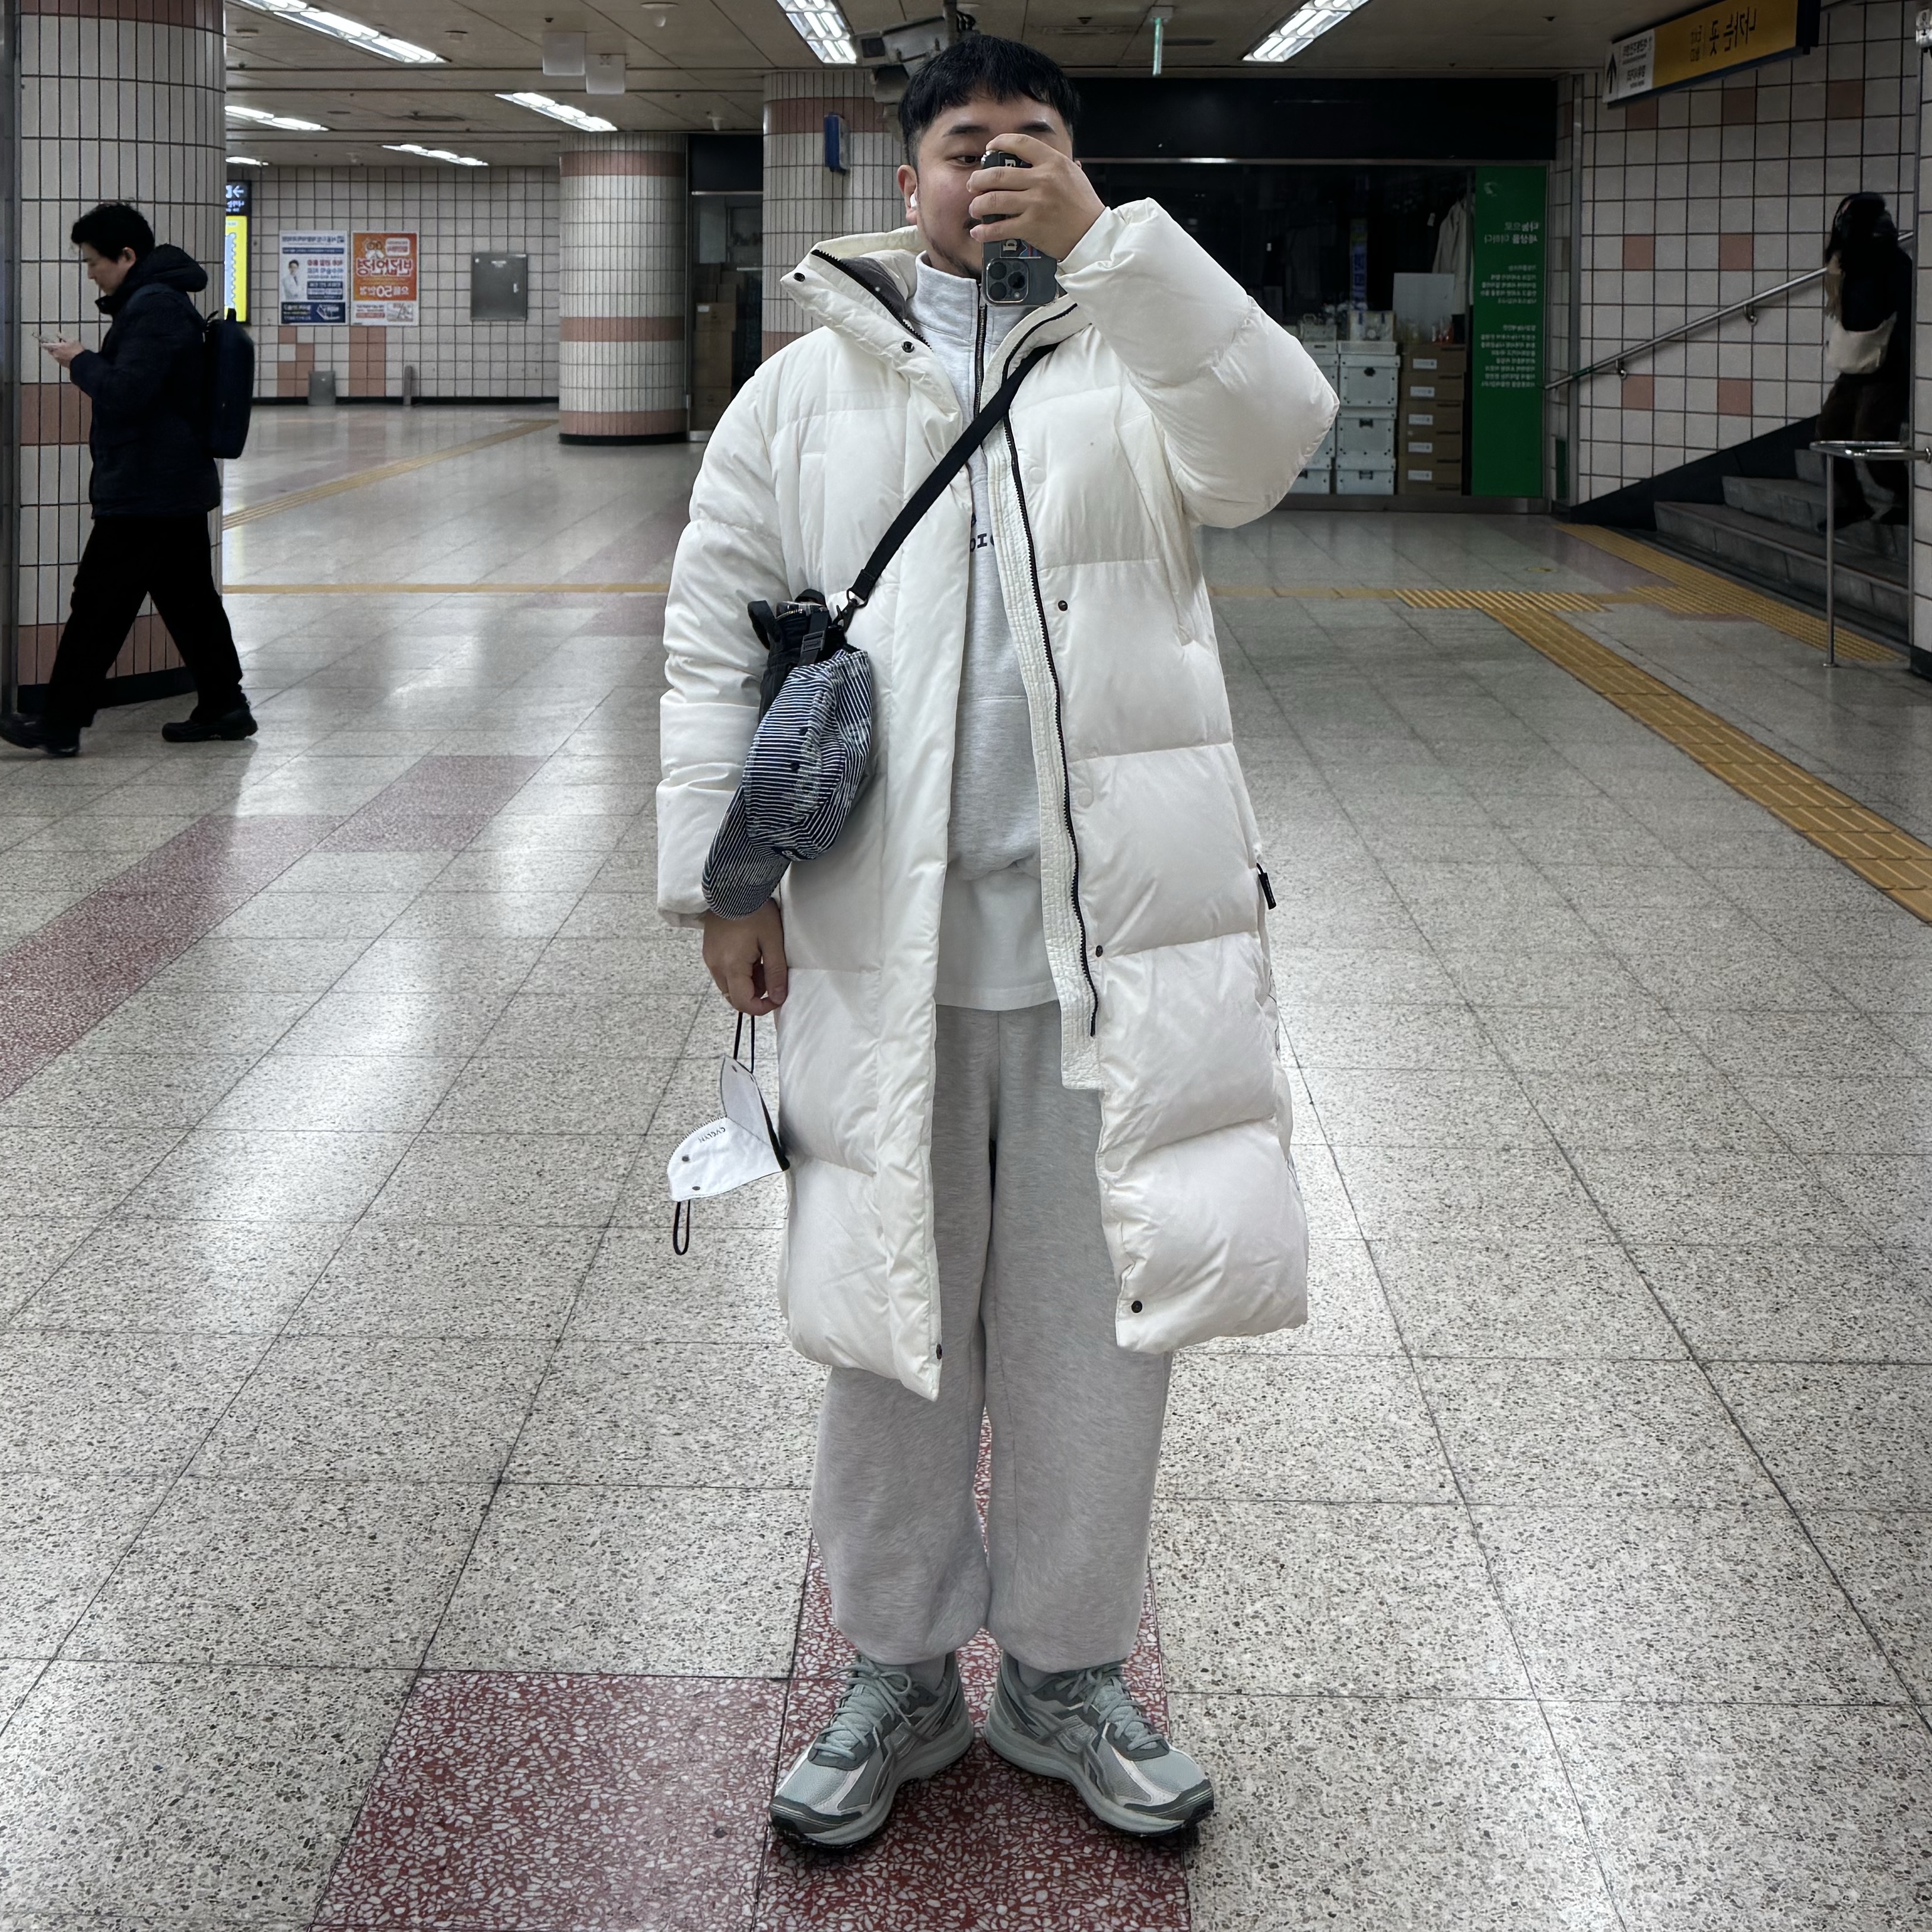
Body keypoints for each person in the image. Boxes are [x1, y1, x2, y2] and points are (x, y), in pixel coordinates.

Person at [656, 35, 1334, 1848]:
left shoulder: (1139, 363)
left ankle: (1060, 1666)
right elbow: (713, 645)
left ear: (1078, 171)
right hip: (874, 951)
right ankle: (892, 1664)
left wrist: (1120, 247)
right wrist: (716, 882)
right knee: (889, 1330)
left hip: (1109, 958)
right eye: (964, 147)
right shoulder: (800, 397)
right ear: (905, 180)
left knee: (1095, 1332)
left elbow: (1274, 440)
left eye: (1031, 145)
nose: (995, 175)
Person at [0, 202, 254, 760]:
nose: (90, 272)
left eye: (94, 263)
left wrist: (78, 360)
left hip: (149, 487)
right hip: (169, 482)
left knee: (97, 603)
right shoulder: (156, 303)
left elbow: (127, 392)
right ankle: (224, 704)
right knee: (189, 601)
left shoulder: (155, 309)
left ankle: (60, 723)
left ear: (127, 256)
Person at [1816, 191, 1912, 530]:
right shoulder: (1849, 263)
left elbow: (1908, 315)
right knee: (1828, 431)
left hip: (1889, 366)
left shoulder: (1894, 263)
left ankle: (1908, 498)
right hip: (1856, 363)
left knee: (1869, 436)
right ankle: (1851, 502)